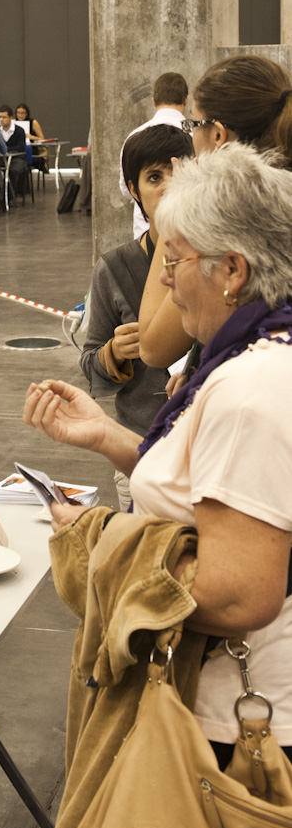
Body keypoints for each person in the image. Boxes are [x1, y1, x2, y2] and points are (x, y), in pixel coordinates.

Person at [25, 142, 292, 765]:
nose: (165, 280)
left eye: (174, 261)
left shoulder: (251, 390)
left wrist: (100, 540)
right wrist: (108, 436)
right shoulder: (258, 352)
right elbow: (210, 492)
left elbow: (238, 594)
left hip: (230, 728)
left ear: (232, 270)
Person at [139, 54, 292, 371]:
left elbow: (152, 347)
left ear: (219, 135)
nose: (190, 137)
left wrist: (176, 210)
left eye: (193, 124)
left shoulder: (229, 218)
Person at [79, 124, 194, 509]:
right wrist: (112, 354)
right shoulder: (114, 267)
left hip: (205, 445)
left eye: (177, 174)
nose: (166, 187)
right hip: (139, 445)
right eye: (154, 177)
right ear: (133, 189)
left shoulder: (216, 260)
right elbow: (90, 365)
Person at [118, 72, 188, 238]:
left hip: (144, 231)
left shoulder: (134, 137)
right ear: (186, 100)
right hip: (189, 232)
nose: (167, 189)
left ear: (154, 101)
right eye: (155, 178)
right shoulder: (197, 135)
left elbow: (124, 187)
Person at [0, 105, 27, 207]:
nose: (1, 120)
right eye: (0, 117)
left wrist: (5, 149)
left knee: (12, 170)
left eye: (4, 117)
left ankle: (9, 197)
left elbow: (21, 147)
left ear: (11, 118)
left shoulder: (19, 131)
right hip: (1, 159)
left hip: (17, 159)